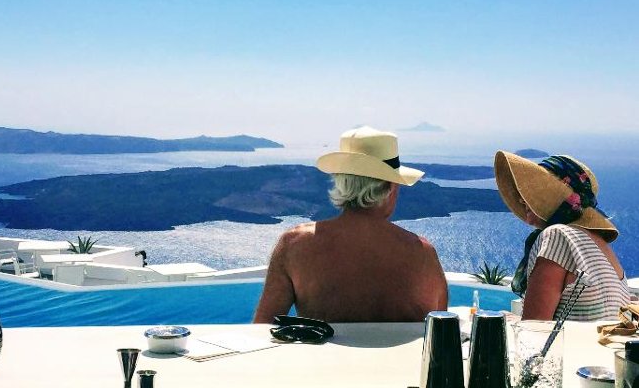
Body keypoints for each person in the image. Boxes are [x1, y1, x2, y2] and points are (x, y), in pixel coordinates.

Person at [253, 126, 448, 323]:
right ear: (390, 188)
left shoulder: (295, 245)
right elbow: (440, 329)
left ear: (340, 183)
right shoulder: (422, 254)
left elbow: (261, 330)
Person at [494, 151, 631, 321]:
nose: (522, 200)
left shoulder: (558, 236)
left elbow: (534, 327)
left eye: (535, 191)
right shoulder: (601, 247)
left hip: (566, 340)